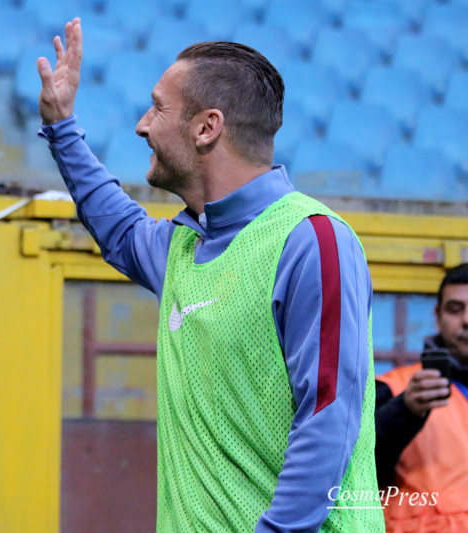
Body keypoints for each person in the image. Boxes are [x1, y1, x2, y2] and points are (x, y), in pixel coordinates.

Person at [36, 19, 384, 532]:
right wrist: (63, 127)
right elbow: (120, 229)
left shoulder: (311, 238)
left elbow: (327, 416)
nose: (141, 125)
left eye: (157, 107)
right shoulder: (184, 243)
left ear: (206, 127)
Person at [375, 263, 468, 531]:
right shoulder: (394, 388)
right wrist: (404, 410)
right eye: (455, 308)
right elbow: (360, 467)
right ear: (437, 316)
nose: (466, 319)